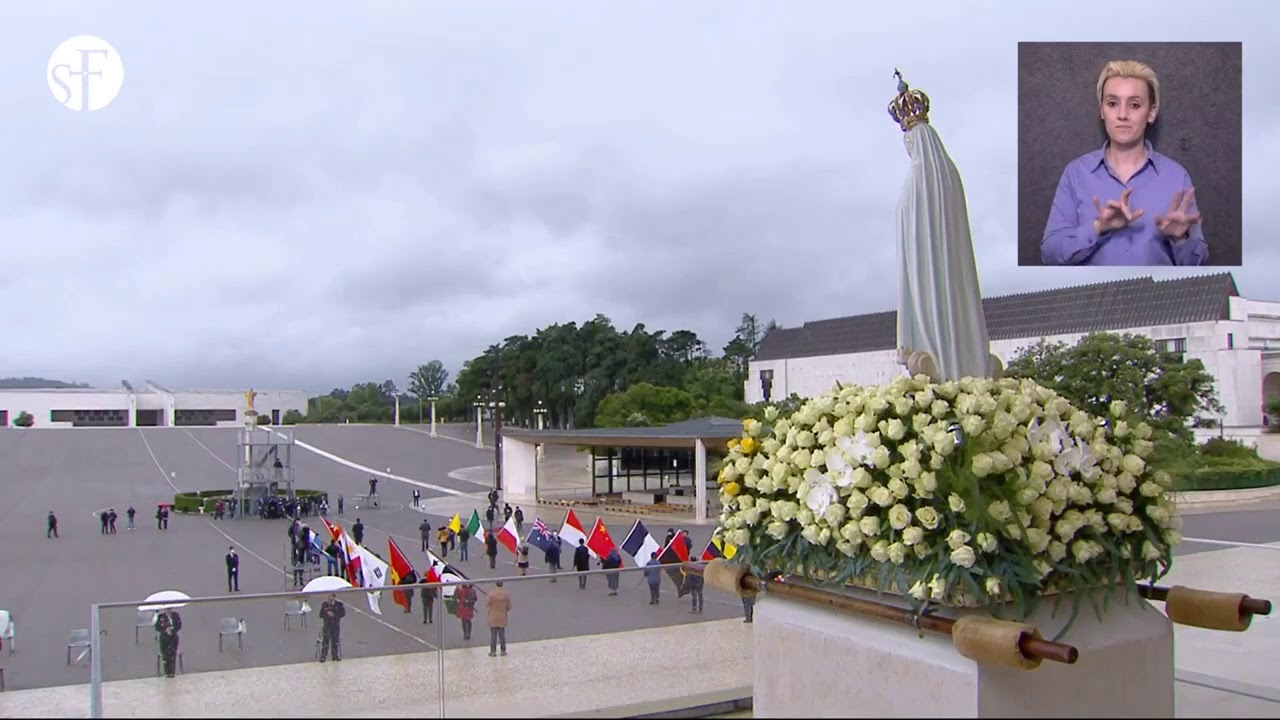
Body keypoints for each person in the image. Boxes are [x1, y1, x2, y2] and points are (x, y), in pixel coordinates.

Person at [1041, 60, 1207, 267]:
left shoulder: (1176, 177)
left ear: (1151, 113)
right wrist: (1098, 227)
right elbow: (1049, 253)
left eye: (1134, 105)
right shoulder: (1076, 174)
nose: (1122, 115)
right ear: (1102, 110)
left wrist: (1180, 239)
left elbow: (1197, 264)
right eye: (1112, 103)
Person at [486, 580, 512, 657]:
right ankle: (503, 650)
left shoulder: (491, 594)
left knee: (493, 635)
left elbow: (486, 604)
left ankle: (493, 651)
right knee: (502, 634)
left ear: (495, 585)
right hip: (502, 616)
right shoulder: (506, 595)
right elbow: (509, 607)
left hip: (493, 616)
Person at [155, 607, 182, 678]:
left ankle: (172, 672)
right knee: (165, 654)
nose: (168, 610)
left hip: (173, 638)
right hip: (164, 638)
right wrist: (165, 630)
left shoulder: (175, 615)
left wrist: (172, 630)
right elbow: (157, 627)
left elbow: (179, 625)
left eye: (169, 609)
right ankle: (167, 672)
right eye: (166, 609)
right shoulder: (161, 617)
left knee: (172, 654)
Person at [318, 593, 345, 662]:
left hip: (335, 625)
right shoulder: (324, 605)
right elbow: (321, 615)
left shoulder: (339, 604)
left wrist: (334, 615)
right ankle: (323, 656)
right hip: (327, 625)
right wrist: (327, 615)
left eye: (330, 596)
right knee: (325, 641)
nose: (328, 598)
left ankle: (335, 655)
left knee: (335, 640)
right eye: (328, 596)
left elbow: (342, 613)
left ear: (334, 597)